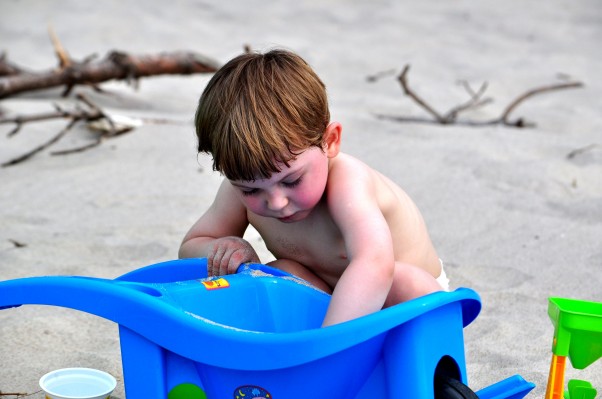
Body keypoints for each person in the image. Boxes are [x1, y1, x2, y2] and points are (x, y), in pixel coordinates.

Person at [179, 49, 447, 327]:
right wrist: (226, 247)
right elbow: (190, 246)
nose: (276, 201)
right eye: (251, 191)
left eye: (291, 181)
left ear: (330, 142)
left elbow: (375, 265)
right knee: (276, 275)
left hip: (408, 304)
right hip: (330, 299)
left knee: (404, 280)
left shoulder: (348, 182)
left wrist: (328, 343)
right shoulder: (238, 189)